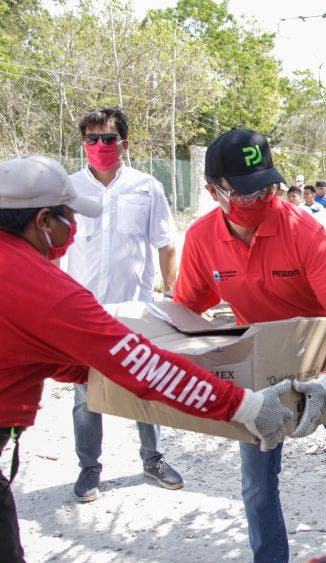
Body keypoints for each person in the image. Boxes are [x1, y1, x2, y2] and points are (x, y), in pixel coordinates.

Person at [0, 155, 295, 563]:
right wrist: (244, 405)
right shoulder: (44, 287)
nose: (74, 229)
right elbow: (147, 369)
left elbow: (20, 348)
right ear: (43, 221)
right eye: (69, 218)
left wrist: (92, 366)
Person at [173, 129, 326, 562]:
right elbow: (184, 311)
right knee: (257, 485)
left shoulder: (303, 231)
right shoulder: (201, 240)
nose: (261, 200)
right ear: (213, 191)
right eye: (246, 192)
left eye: (267, 187)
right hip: (260, 373)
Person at [64, 106, 183, 502]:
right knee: (86, 396)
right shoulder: (68, 190)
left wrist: (172, 297)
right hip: (83, 311)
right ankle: (89, 469)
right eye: (92, 139)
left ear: (124, 143)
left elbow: (166, 244)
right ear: (84, 144)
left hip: (136, 311)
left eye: (108, 138)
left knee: (144, 386)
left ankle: (153, 459)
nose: (100, 146)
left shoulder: (147, 187)